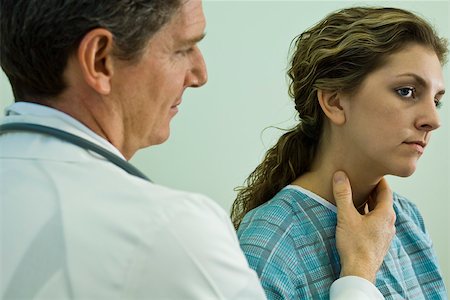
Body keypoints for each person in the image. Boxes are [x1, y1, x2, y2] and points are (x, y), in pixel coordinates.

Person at [0, 1, 394, 299]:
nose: (200, 74)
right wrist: (358, 275)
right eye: (183, 48)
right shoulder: (171, 228)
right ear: (100, 60)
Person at [232, 6, 448, 300]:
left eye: (436, 100)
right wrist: (359, 271)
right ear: (335, 102)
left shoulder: (407, 219)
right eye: (407, 91)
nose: (432, 120)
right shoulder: (270, 241)